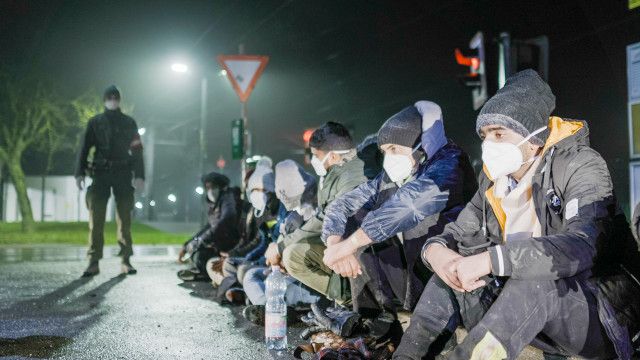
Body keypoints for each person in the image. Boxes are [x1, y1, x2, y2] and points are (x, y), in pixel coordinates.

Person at [392, 70, 640, 359]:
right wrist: (436, 252)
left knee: (536, 281)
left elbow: (582, 245)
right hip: (524, 310)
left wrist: (491, 260)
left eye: (499, 134)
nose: (489, 145)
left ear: (533, 137)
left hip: (596, 312)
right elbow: (459, 233)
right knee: (450, 275)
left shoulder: (579, 165)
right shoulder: (495, 181)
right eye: (485, 135)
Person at [320, 101, 477, 342]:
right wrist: (335, 245)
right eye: (384, 151)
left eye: (394, 148)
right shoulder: (398, 173)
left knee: (401, 219)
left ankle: (441, 331)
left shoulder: (450, 163)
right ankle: (377, 320)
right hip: (415, 272)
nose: (388, 158)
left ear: (419, 144)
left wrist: (349, 245)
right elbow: (343, 205)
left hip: (453, 277)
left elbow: (410, 204)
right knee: (359, 215)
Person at [279, 122, 368, 304]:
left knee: (294, 255)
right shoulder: (333, 173)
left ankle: (353, 303)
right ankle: (345, 302)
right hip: (343, 242)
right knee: (295, 249)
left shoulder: (353, 175)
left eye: (316, 155)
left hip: (359, 248)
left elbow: (328, 216)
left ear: (333, 155)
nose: (314, 160)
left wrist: (283, 245)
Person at [75, 85, 144, 277]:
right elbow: (84, 148)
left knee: (125, 219)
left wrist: (140, 175)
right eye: (109, 97)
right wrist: (79, 172)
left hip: (123, 173)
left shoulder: (129, 122)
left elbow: (137, 150)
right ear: (105, 99)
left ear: (119, 99)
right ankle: (93, 261)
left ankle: (126, 260)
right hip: (100, 173)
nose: (113, 99)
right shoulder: (95, 122)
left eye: (115, 97)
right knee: (96, 219)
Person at [242, 159, 321, 324]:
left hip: (302, 274)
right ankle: (269, 308)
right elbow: (275, 240)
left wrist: (280, 253)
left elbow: (305, 246)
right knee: (251, 275)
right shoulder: (293, 214)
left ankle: (270, 309)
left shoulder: (317, 211)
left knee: (272, 286)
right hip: (287, 270)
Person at [212, 157, 283, 304]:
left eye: (262, 189)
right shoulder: (257, 210)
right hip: (262, 259)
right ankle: (240, 292)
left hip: (274, 264)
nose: (257, 193)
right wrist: (241, 257)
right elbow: (262, 241)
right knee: (228, 265)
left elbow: (269, 244)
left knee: (246, 272)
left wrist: (249, 260)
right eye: (254, 189)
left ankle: (257, 302)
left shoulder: (279, 211)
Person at [177, 172, 240, 281]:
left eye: (213, 187)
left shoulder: (228, 199)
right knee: (196, 254)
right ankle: (205, 272)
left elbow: (223, 223)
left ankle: (212, 275)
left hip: (231, 246)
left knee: (200, 256)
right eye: (208, 187)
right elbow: (209, 227)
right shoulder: (214, 204)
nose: (210, 190)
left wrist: (199, 242)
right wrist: (188, 244)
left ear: (221, 187)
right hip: (219, 243)